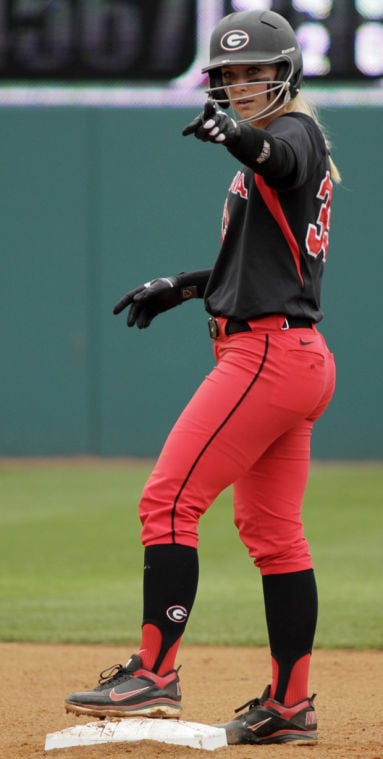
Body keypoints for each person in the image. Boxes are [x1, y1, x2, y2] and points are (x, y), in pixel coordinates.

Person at [65, 9, 340, 745]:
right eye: (230, 74)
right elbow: (263, 265)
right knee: (272, 534)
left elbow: (276, 157)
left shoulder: (293, 135)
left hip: (267, 357)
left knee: (168, 500)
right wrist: (187, 285)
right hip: (291, 353)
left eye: (254, 71)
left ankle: (154, 673)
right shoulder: (272, 147)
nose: (241, 84)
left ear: (283, 72)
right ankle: (290, 704)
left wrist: (242, 137)